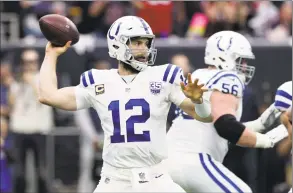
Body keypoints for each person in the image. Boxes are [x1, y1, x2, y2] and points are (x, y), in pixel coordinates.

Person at [38, 15, 211, 192]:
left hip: (156, 177)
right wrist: (50, 55)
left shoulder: (164, 76)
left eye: (146, 43)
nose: (144, 49)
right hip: (115, 180)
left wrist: (199, 102)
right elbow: (48, 96)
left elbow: (204, 116)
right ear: (117, 45)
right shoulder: (98, 81)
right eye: (137, 43)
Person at [166, 31, 289, 193]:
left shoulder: (199, 75)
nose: (244, 66)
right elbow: (225, 126)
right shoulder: (227, 78)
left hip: (168, 161)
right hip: (194, 160)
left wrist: (277, 109)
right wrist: (266, 141)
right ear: (224, 58)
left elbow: (243, 126)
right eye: (241, 60)